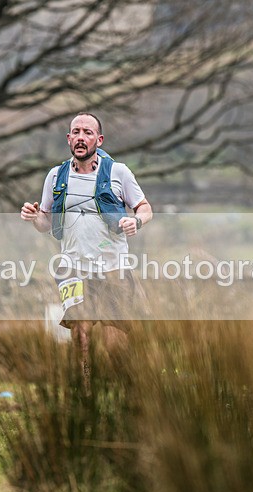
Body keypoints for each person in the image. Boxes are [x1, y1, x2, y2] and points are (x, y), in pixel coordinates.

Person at [20, 112, 152, 375]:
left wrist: (135, 222)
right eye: (76, 132)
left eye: (88, 133)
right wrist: (35, 217)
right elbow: (46, 223)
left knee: (116, 343)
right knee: (80, 337)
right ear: (69, 139)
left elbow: (145, 208)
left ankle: (122, 392)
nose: (81, 137)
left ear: (99, 140)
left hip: (114, 267)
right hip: (73, 269)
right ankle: (85, 400)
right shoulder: (56, 176)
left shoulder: (118, 172)